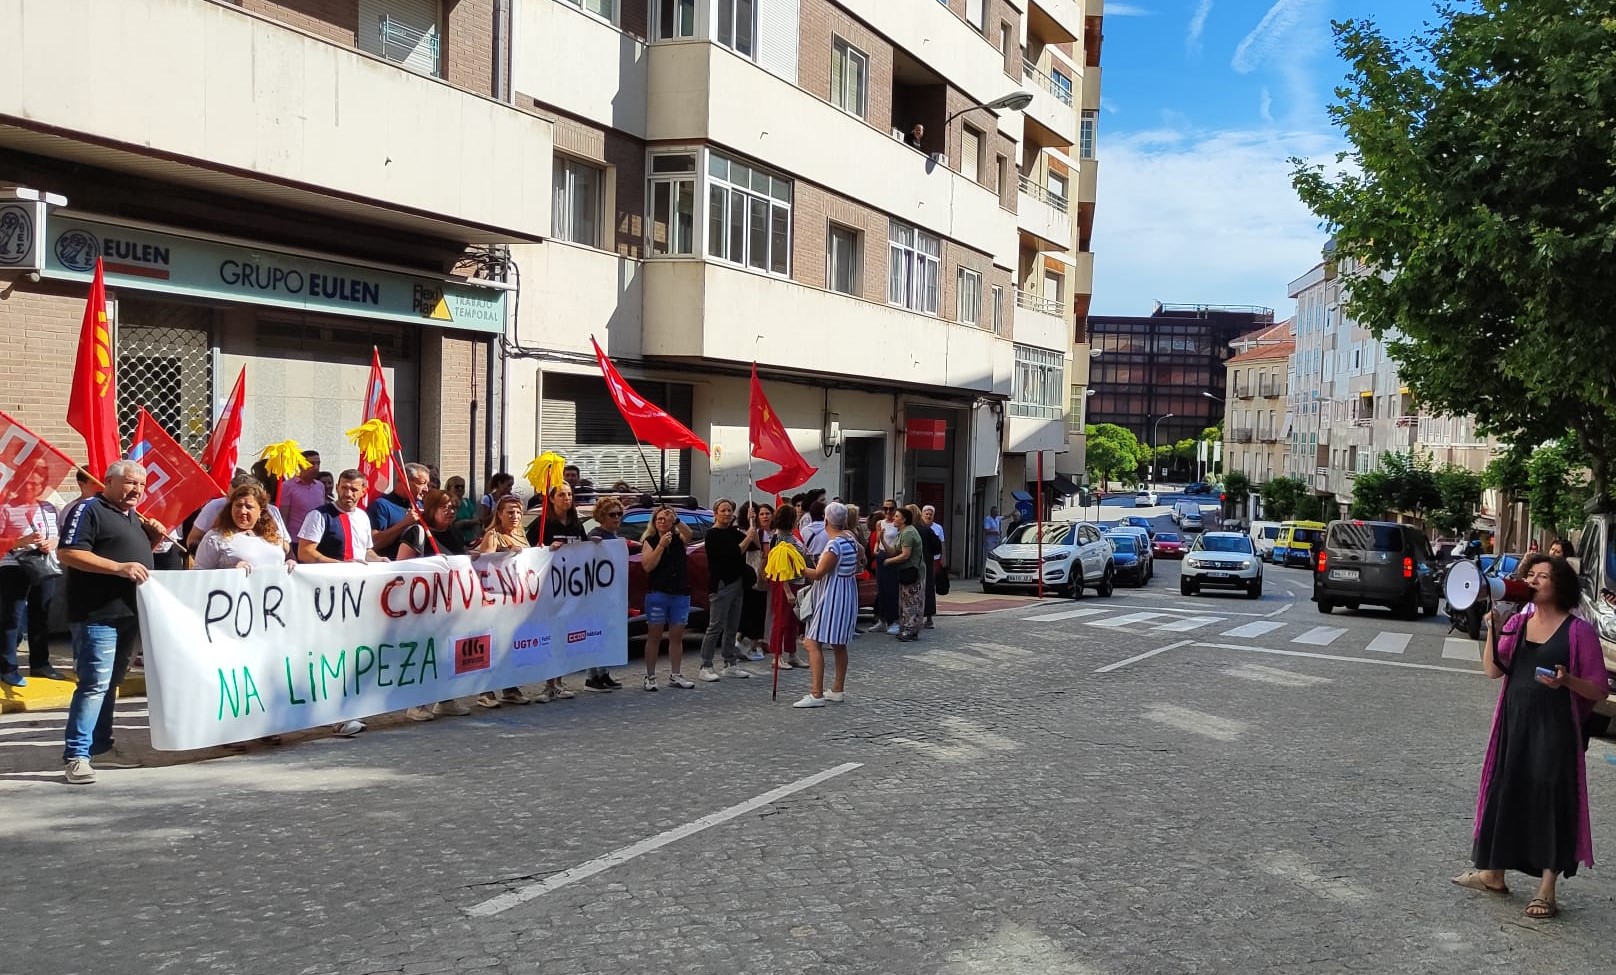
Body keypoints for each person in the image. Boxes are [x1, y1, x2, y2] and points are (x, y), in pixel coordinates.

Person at [1455, 554, 1604, 919]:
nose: (1533, 581)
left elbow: (1599, 689)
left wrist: (1567, 680)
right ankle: (1493, 873)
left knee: (1549, 797)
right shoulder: (1519, 622)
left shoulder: (1579, 631)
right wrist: (1495, 628)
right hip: (1514, 723)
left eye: (1542, 576)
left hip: (1555, 729)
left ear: (1560, 585)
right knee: (1506, 791)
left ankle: (1546, 889)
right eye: (1530, 575)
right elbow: (1493, 670)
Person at [57, 461, 166, 784]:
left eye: (142, 485)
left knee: (111, 684)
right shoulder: (89, 509)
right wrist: (119, 568)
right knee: (94, 685)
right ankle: (77, 756)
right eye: (130, 483)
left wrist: (152, 541)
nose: (137, 490)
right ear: (109, 482)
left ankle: (101, 745)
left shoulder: (132, 516)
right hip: (97, 615)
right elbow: (69, 553)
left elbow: (131, 557)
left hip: (128, 615)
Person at [295, 469, 382, 739]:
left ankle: (349, 710)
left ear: (363, 491)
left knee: (353, 654)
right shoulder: (319, 516)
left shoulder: (363, 517)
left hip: (357, 597)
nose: (348, 493)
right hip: (326, 598)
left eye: (354, 489)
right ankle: (337, 716)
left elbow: (365, 551)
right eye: (344, 487)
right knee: (332, 655)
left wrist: (379, 561)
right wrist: (341, 566)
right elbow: (305, 552)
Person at [395, 489, 476, 720]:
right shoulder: (418, 532)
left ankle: (446, 699)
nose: (451, 512)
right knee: (423, 654)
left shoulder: (453, 533)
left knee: (447, 652)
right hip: (420, 606)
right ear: (432, 509)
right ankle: (416, 703)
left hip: (448, 606)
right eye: (445, 507)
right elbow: (400, 566)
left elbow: (459, 558)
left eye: (453, 508)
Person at [793, 502, 861, 708]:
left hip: (832, 596)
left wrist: (796, 565)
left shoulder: (834, 545)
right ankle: (837, 689)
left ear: (826, 520)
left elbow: (818, 573)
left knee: (812, 642)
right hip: (847, 593)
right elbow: (861, 557)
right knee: (839, 644)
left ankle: (816, 693)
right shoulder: (850, 538)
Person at [473, 495, 538, 706]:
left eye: (518, 512)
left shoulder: (521, 535)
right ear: (499, 514)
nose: (515, 516)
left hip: (516, 601)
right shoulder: (493, 535)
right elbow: (484, 565)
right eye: (510, 512)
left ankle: (510, 687)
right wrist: (506, 553)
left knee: (510, 645)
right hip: (495, 600)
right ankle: (486, 691)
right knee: (493, 645)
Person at [525, 483, 588, 702]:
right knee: (549, 636)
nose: (567, 498)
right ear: (551, 499)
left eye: (569, 494)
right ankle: (548, 685)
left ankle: (558, 683)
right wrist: (546, 549)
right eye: (561, 494)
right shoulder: (542, 524)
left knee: (562, 637)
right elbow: (529, 553)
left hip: (570, 589)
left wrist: (595, 544)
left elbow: (585, 549)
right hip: (548, 589)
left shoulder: (576, 524)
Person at [0, 466, 63, 685]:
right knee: (12, 617)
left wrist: (51, 543)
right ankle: (7, 667)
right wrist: (21, 541)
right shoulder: (6, 507)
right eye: (28, 483)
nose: (32, 488)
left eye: (38, 484)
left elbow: (57, 535)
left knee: (41, 614)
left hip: (44, 565)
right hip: (14, 566)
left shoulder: (48, 508)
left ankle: (40, 664)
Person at [640, 505, 696, 691]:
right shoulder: (650, 540)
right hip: (658, 593)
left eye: (666, 519)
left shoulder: (679, 538)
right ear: (654, 522)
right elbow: (648, 565)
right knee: (654, 635)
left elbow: (689, 534)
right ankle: (650, 676)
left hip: (680, 593)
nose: (663, 522)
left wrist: (676, 519)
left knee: (677, 636)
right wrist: (661, 546)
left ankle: (676, 674)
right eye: (659, 519)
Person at [697, 499, 749, 682]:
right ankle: (706, 665)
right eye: (723, 510)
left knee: (732, 626)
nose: (727, 514)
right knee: (715, 626)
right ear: (716, 513)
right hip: (722, 584)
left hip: (737, 582)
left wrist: (752, 525)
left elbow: (754, 544)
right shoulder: (712, 534)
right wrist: (748, 537)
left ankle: (730, 663)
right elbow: (732, 553)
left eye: (729, 511)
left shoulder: (734, 532)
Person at [581, 496, 629, 692]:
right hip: (596, 595)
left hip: (611, 594)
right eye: (612, 515)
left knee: (607, 634)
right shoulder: (595, 536)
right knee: (595, 634)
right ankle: (591, 677)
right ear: (602, 516)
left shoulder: (614, 537)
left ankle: (603, 673)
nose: (617, 518)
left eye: (619, 514)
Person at [193, 484, 294, 572]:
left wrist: (289, 566)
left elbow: (280, 562)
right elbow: (200, 575)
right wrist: (231, 573)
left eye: (249, 507)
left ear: (261, 512)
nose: (242, 511)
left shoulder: (273, 536)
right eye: (238, 505)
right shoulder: (215, 538)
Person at [186, 473, 289, 551]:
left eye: (248, 506)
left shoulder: (272, 511)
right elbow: (192, 541)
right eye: (228, 497)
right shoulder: (214, 507)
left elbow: (286, 546)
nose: (229, 503)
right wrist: (218, 551)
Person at [767, 505, 809, 670]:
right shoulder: (779, 538)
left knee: (793, 620)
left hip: (797, 581)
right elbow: (779, 567)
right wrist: (787, 590)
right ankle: (777, 656)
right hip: (785, 582)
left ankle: (792, 653)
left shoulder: (791, 536)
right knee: (781, 620)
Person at [369, 462, 430, 560]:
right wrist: (404, 523)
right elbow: (374, 543)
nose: (426, 489)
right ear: (404, 481)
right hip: (393, 565)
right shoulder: (382, 505)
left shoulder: (420, 505)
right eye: (421, 483)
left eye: (427, 484)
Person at [882, 506, 925, 642]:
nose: (894, 518)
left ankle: (910, 630)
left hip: (913, 572)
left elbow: (905, 555)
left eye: (897, 516)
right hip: (905, 572)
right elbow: (893, 551)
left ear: (904, 519)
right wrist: (881, 539)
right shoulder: (902, 532)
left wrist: (889, 561)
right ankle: (907, 629)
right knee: (905, 601)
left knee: (912, 602)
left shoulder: (908, 533)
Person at [738, 502, 774, 661]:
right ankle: (743, 639)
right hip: (745, 573)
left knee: (756, 608)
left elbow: (764, 552)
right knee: (747, 608)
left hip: (754, 574)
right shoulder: (740, 531)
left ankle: (754, 644)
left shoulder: (760, 532)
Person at [276, 450, 325, 541]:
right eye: (311, 464)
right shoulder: (287, 486)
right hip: (296, 540)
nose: (316, 467)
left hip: (318, 539)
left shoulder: (320, 486)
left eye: (318, 463)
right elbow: (283, 517)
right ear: (300, 465)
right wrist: (286, 541)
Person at [876, 500, 901, 635]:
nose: (888, 512)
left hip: (892, 555)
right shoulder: (880, 523)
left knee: (892, 590)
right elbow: (878, 540)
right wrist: (876, 549)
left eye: (891, 509)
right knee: (881, 589)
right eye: (885, 508)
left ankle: (894, 620)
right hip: (881, 554)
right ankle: (882, 619)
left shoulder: (897, 524)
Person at [920, 504, 944, 629]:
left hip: (933, 560)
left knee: (930, 587)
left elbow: (941, 544)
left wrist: (943, 559)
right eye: (926, 514)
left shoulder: (937, 528)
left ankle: (929, 618)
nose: (928, 516)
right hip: (921, 561)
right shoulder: (919, 527)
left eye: (931, 514)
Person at [446, 475, 479, 544]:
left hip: (471, 540)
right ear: (449, 488)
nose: (460, 488)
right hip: (455, 541)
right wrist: (470, 522)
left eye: (462, 486)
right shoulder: (446, 503)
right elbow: (452, 526)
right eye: (457, 486)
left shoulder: (466, 502)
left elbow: (476, 520)